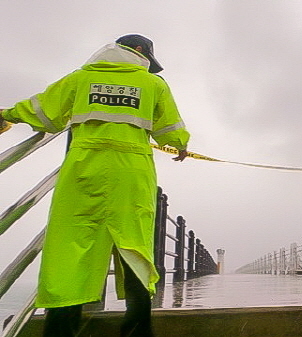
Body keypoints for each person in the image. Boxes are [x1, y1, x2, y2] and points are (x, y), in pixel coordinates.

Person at [0, 34, 190, 337]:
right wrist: (180, 145)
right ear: (141, 52)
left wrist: (6, 116)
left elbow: (42, 110)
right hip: (132, 172)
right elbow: (171, 129)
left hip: (83, 167)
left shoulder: (81, 78)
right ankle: (137, 329)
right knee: (135, 246)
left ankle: (60, 330)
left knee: (70, 247)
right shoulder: (153, 84)